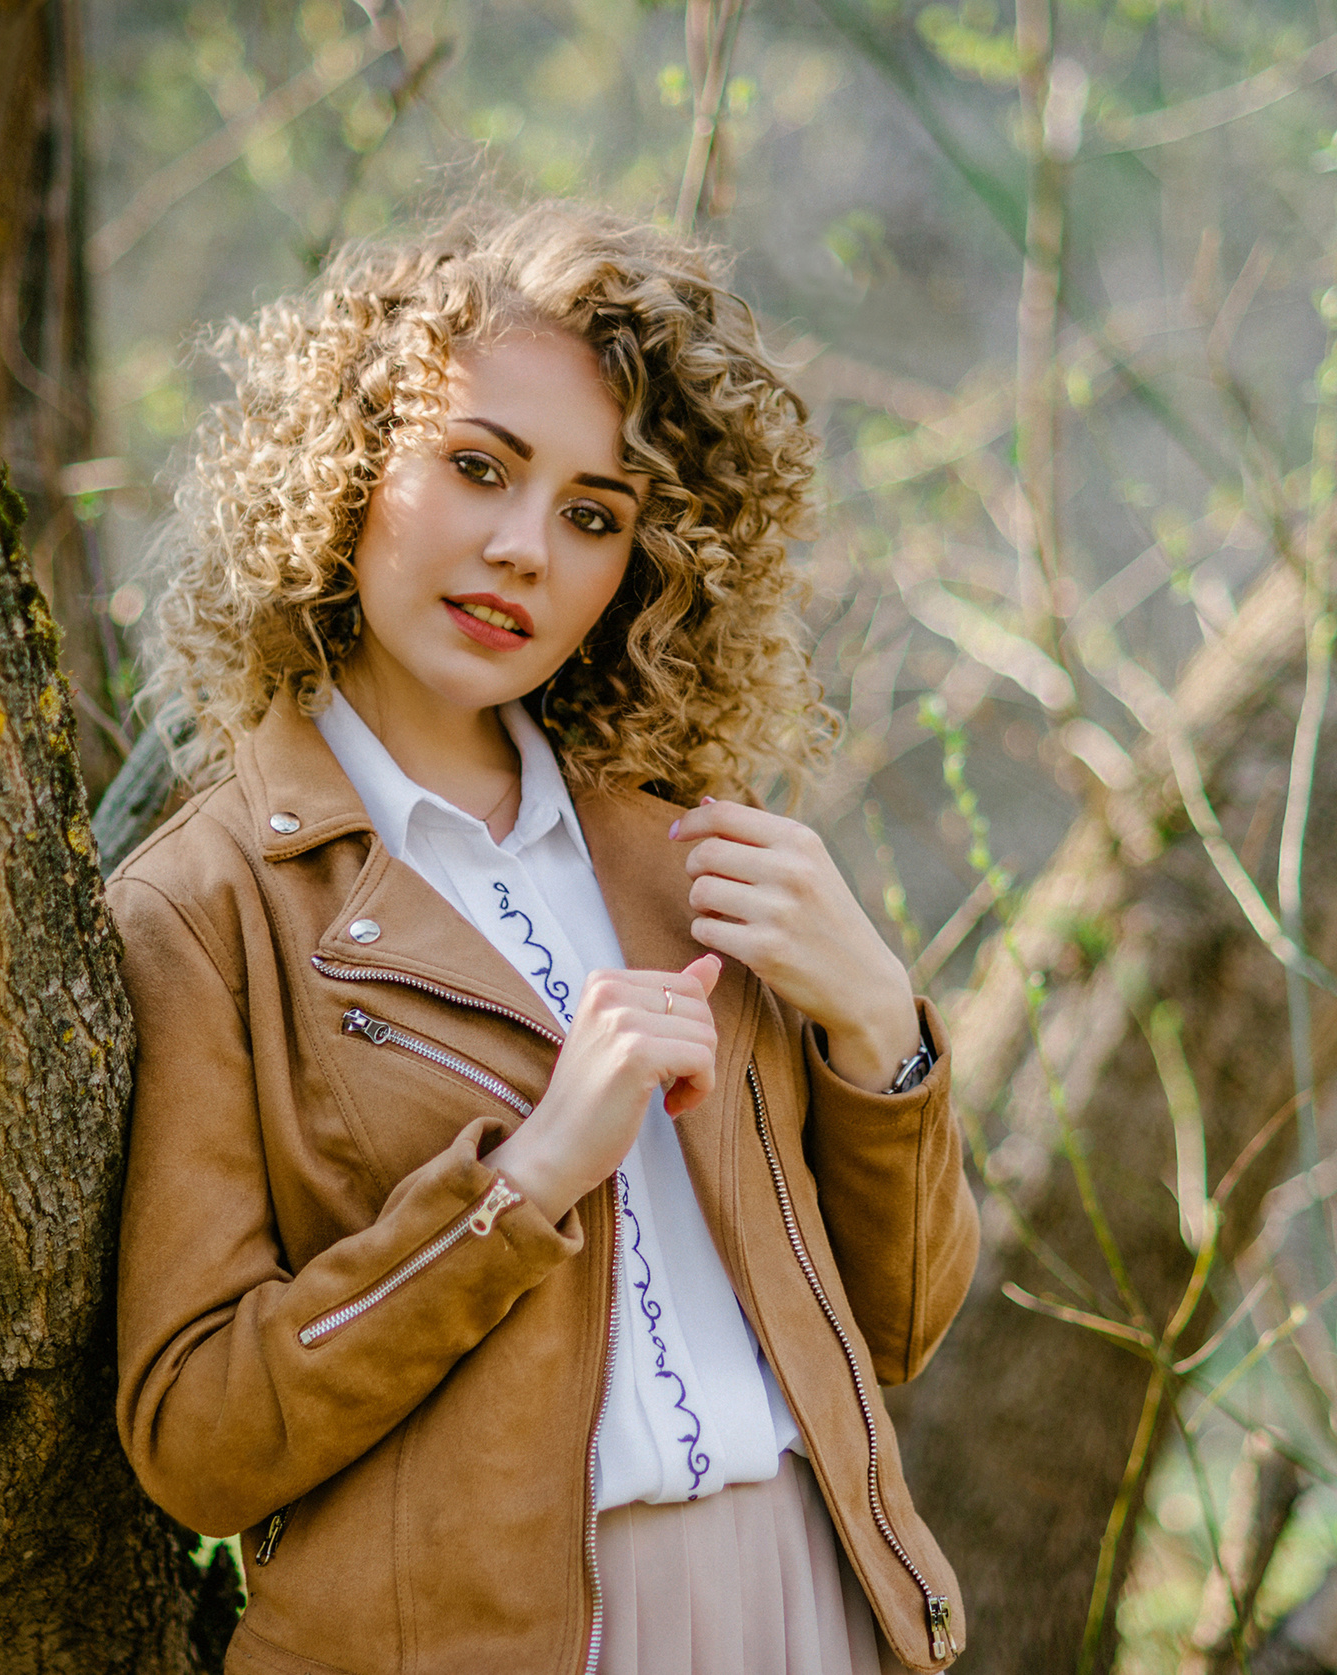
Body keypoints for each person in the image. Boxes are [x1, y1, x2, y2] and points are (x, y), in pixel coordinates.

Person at [110, 201, 977, 1675]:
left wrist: (878, 1031)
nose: (522, 550)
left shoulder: (690, 852)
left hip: (810, 1601)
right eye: (477, 467)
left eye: (592, 514)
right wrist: (520, 1186)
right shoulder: (208, 908)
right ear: (349, 466)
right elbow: (199, 1441)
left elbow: (893, 1327)